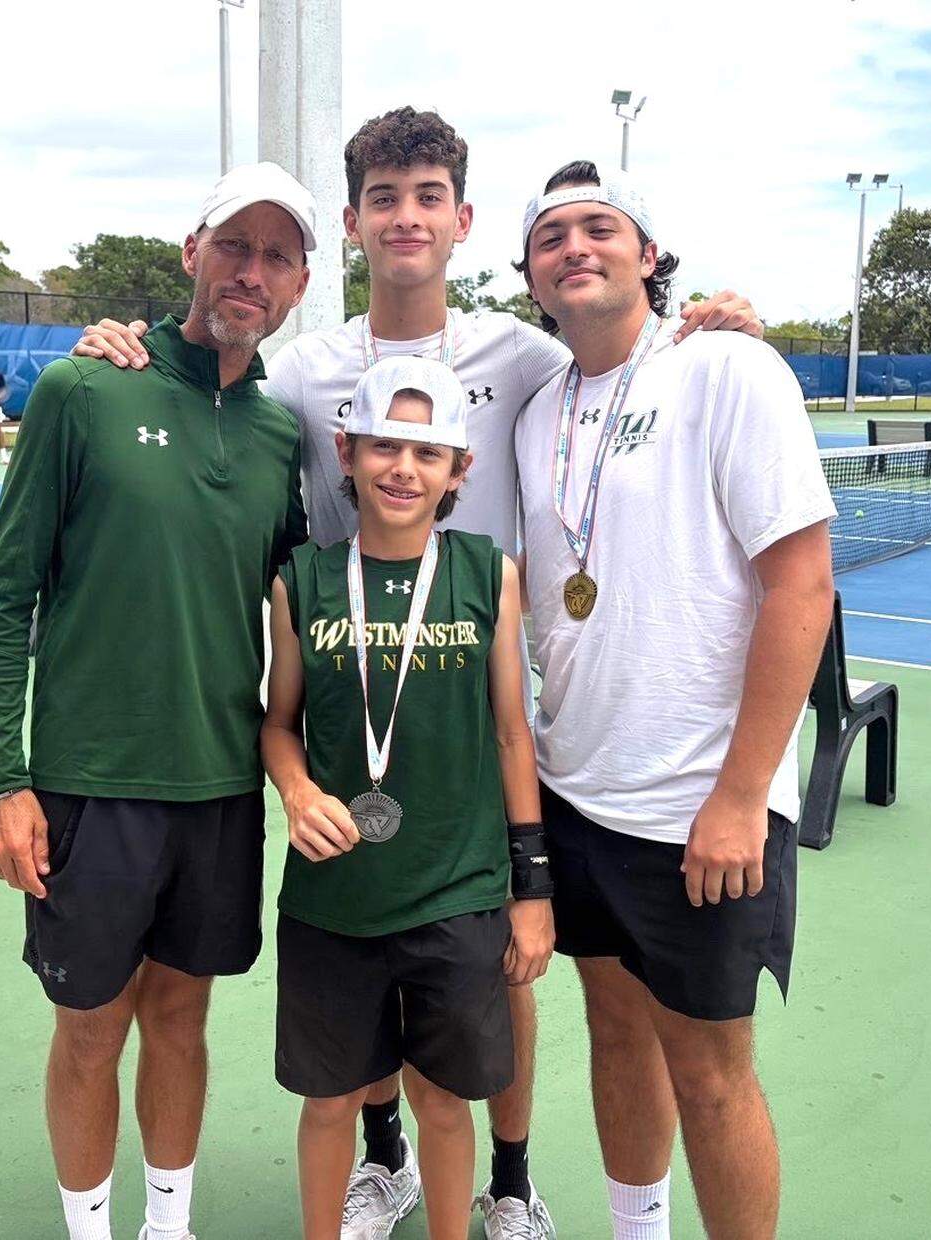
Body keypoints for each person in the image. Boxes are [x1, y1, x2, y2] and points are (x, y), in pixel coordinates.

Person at [75, 105, 765, 1240]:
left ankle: (511, 1174)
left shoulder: (525, 352)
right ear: (351, 225)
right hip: (349, 710)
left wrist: (711, 322)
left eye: (428, 197)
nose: (406, 217)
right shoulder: (303, 372)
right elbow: (211, 384)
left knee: (498, 966)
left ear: (462, 221)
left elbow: (624, 347)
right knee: (362, 956)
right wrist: (129, 339)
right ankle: (383, 1156)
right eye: (384, 198)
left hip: (484, 715)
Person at [0, 161, 315, 1240]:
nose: (250, 273)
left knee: (183, 1016)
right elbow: (3, 598)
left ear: (300, 284)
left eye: (276, 257)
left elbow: (304, 620)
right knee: (88, 1030)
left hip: (217, 787)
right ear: (192, 254)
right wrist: (2, 779)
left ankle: (168, 1224)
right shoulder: (84, 390)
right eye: (234, 247)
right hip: (87, 785)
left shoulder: (278, 436)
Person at [514, 161, 836, 1240]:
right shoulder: (536, 410)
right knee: (613, 1025)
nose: (575, 248)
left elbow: (803, 582)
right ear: (529, 275)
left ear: (648, 255)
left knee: (711, 1070)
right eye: (551, 236)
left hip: (703, 805)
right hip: (577, 792)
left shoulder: (727, 369)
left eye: (599, 228)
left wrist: (743, 794)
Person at [262, 355, 555, 1240]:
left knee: (444, 1100)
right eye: (384, 445)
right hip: (333, 900)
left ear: (460, 471)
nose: (403, 468)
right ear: (345, 453)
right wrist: (297, 786)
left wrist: (531, 889)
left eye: (428, 453)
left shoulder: (488, 574)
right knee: (327, 1104)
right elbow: (277, 724)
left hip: (455, 892)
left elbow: (512, 733)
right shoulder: (301, 581)